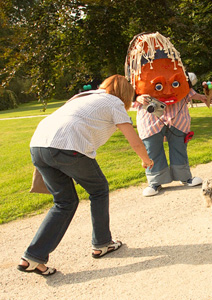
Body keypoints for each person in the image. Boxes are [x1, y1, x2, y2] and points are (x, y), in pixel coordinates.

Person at [18, 75, 154, 276]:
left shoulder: (82, 96)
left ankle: (32, 257)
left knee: (64, 202)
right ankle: (102, 243)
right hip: (68, 147)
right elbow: (134, 140)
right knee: (98, 190)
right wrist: (146, 160)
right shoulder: (115, 101)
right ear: (125, 94)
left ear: (103, 86)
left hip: (38, 145)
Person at [125, 32, 208, 197]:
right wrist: (138, 97)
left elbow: (184, 88)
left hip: (178, 119)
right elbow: (131, 93)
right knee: (152, 150)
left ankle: (184, 177)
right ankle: (155, 181)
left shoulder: (173, 64)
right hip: (151, 121)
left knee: (179, 148)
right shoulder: (137, 71)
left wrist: (199, 96)